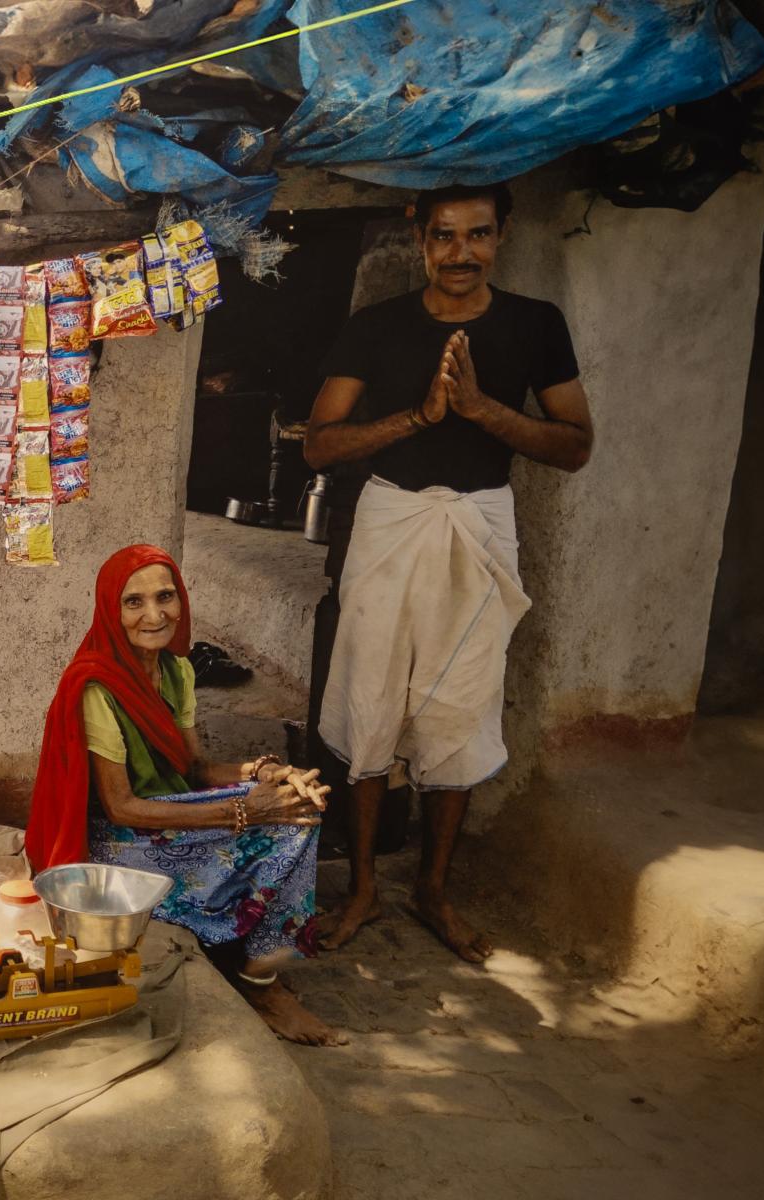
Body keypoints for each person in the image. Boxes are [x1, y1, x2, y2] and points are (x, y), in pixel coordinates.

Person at [302, 182, 594, 962]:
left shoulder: (536, 325)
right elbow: (320, 445)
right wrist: (419, 418)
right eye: (444, 236)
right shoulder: (377, 329)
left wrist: (480, 409)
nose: (461, 253)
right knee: (371, 696)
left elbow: (574, 445)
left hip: (481, 523)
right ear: (421, 239)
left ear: (501, 237)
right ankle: (362, 886)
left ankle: (434, 890)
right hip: (392, 522)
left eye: (477, 235)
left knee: (461, 706)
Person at [29, 545, 344, 1045]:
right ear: (111, 611)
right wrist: (243, 809)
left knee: (300, 808)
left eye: (165, 597)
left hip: (171, 813)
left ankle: (256, 963)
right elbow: (121, 806)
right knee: (282, 826)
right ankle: (261, 983)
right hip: (122, 838)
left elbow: (196, 769)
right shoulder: (95, 686)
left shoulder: (177, 671)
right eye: (133, 602)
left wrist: (268, 773)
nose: (154, 615)